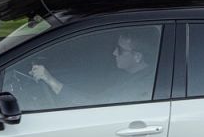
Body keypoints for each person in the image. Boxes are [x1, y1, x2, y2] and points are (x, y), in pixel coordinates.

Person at [28, 32, 156, 105]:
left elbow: (97, 105)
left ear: (138, 56)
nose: (114, 53)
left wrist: (51, 80)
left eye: (120, 50)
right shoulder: (126, 74)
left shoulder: (141, 87)